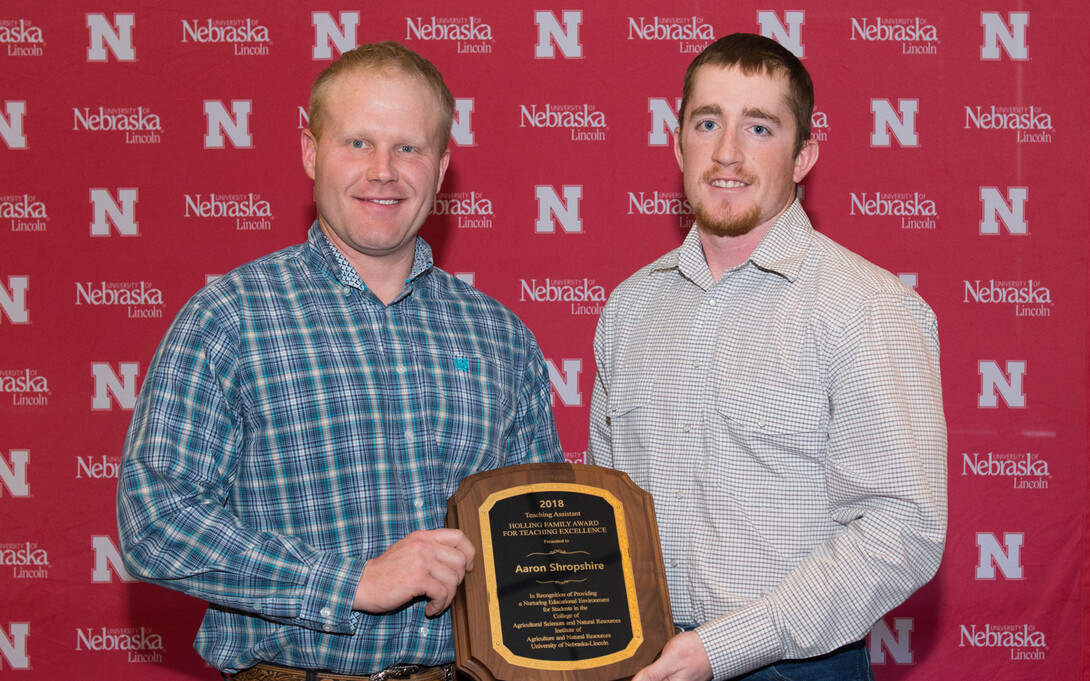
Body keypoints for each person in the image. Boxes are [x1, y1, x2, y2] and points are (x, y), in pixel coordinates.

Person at [117, 41, 562, 680]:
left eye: (409, 147)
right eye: (358, 143)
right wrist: (351, 581)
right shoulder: (229, 318)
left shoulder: (502, 339)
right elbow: (154, 521)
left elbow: (536, 545)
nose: (383, 170)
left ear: (441, 169)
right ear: (310, 151)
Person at [587, 33, 946, 681]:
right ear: (677, 144)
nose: (727, 152)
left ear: (803, 155)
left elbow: (901, 531)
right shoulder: (628, 309)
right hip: (643, 661)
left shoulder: (866, 307)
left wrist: (723, 646)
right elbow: (606, 510)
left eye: (758, 127)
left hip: (799, 665)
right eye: (707, 123)